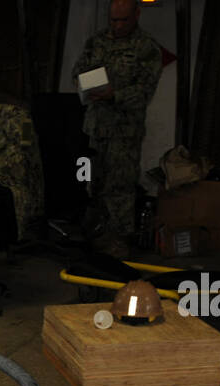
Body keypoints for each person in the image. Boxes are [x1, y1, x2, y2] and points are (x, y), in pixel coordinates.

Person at [73, 0, 163, 257]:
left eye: (123, 20)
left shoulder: (146, 48)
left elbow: (145, 91)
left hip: (125, 131)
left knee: (120, 188)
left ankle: (121, 242)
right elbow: (77, 72)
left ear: (137, 14)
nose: (118, 25)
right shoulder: (96, 42)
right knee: (95, 185)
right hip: (95, 129)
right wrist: (86, 86)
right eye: (114, 20)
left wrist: (115, 94)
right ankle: (97, 238)